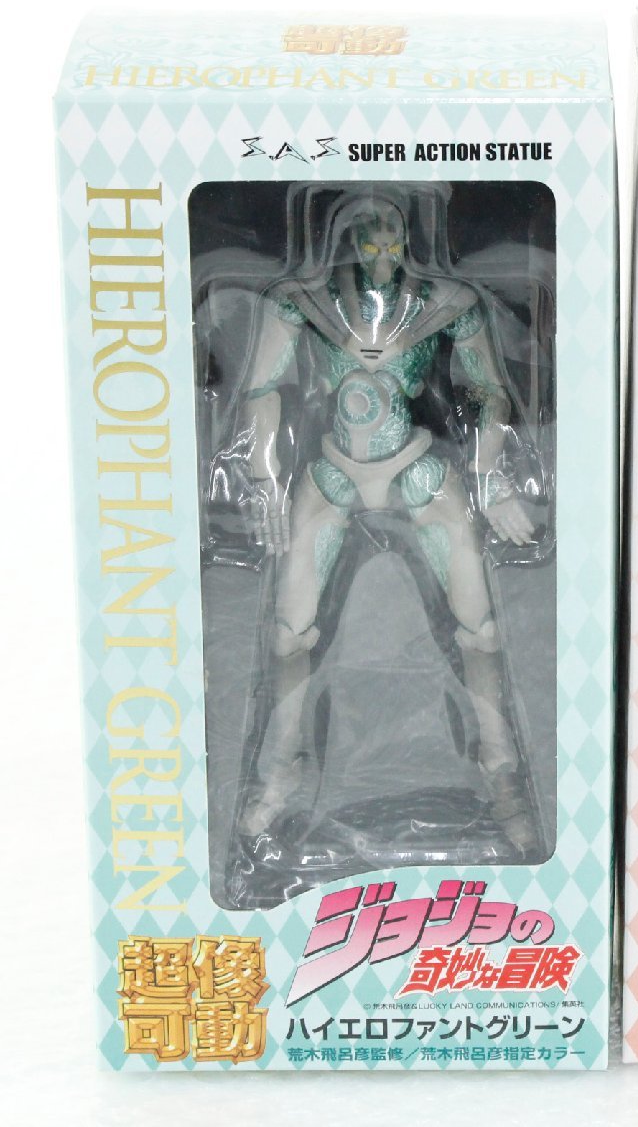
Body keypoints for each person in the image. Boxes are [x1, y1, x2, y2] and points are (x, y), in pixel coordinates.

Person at [236, 192, 538, 857]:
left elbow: (489, 391)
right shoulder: (303, 300)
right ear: (347, 242)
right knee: (288, 633)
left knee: (482, 630)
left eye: (391, 241)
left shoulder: (446, 303)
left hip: (417, 468)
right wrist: (262, 476)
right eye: (367, 242)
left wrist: (492, 477)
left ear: (407, 243)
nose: (379, 254)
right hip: (333, 472)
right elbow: (260, 388)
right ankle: (280, 768)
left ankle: (503, 773)